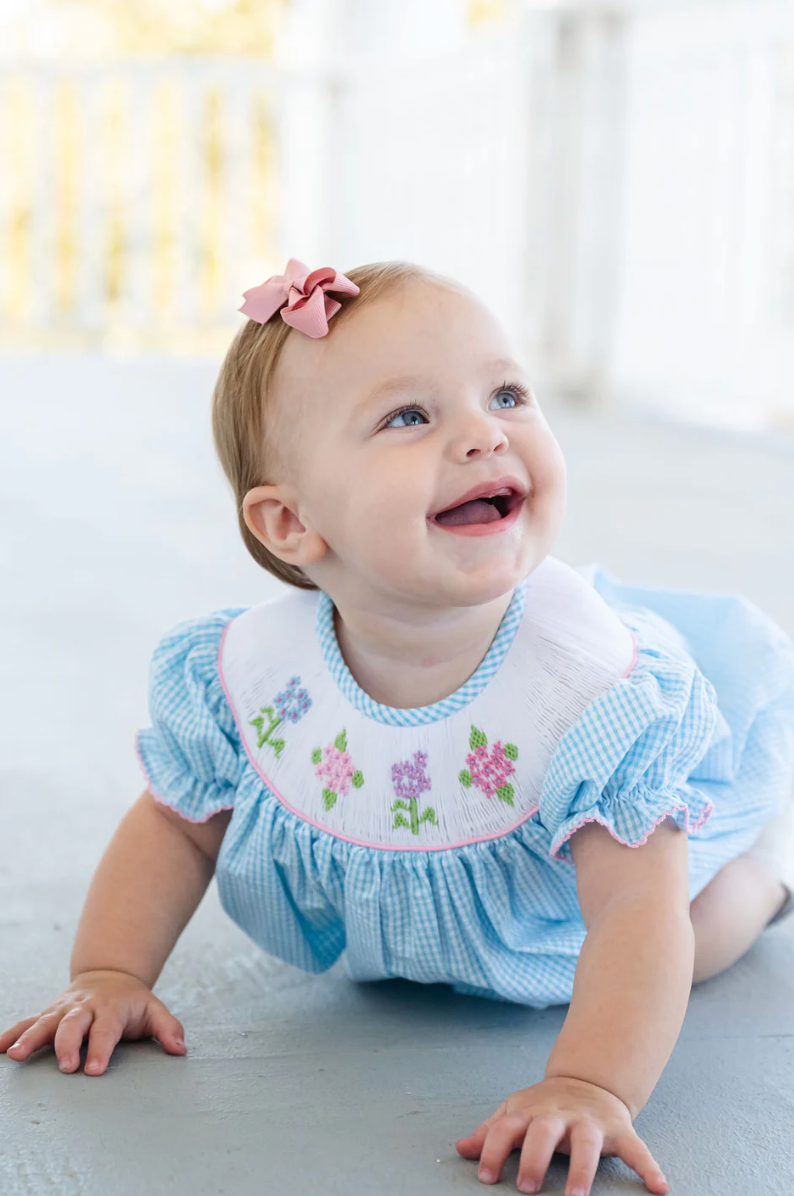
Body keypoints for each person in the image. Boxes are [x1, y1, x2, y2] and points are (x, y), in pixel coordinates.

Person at [2, 258, 793, 1196]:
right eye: (409, 417)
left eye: (506, 393)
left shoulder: (586, 691)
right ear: (291, 523)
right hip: (394, 926)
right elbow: (177, 823)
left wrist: (587, 1082)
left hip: (573, 921)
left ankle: (773, 870)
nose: (484, 433)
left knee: (698, 925)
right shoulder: (255, 679)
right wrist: (108, 971)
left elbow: (632, 909)